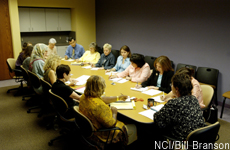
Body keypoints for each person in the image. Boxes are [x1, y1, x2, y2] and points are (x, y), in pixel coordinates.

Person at [79, 75, 137, 149]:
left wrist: (118, 98)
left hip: (88, 130)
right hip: (101, 134)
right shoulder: (99, 106)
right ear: (100, 88)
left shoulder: (84, 96)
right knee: (134, 127)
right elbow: (111, 124)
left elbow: (101, 99)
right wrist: (114, 112)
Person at [154, 73, 206, 141]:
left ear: (177, 89)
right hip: (198, 136)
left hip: (182, 139)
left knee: (152, 129)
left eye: (172, 84)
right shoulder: (193, 99)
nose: (171, 86)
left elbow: (158, 120)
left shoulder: (174, 103)